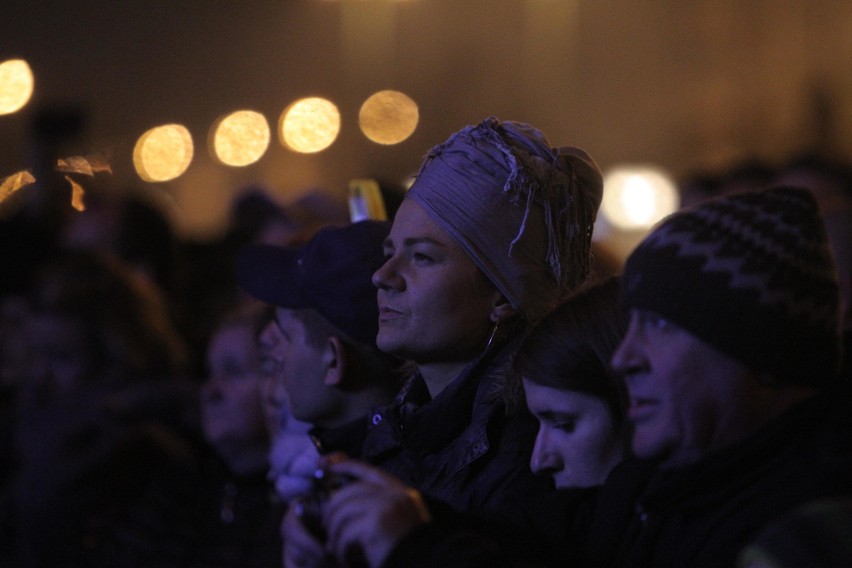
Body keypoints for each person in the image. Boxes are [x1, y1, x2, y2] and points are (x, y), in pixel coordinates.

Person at [281, 116, 604, 567]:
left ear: (502, 297)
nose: (383, 277)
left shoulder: (542, 448)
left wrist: (414, 544)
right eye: (390, 251)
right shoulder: (390, 433)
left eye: (423, 257)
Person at [574, 185, 852, 567]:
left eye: (658, 324)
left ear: (763, 348)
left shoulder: (810, 535)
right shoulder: (638, 487)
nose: (623, 358)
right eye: (631, 323)